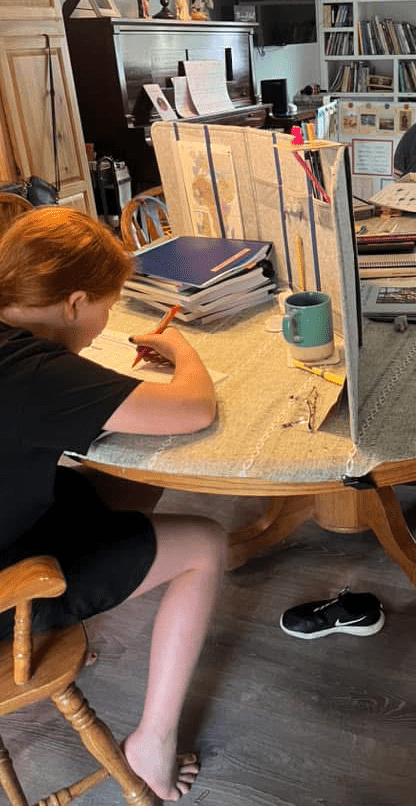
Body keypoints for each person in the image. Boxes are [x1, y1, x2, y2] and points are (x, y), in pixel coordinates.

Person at [0, 207, 227, 802]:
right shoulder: (31, 371)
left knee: (129, 484)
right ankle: (153, 744)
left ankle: (91, 602)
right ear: (74, 302)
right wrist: (182, 351)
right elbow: (194, 409)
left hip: (14, 513)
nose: (104, 322)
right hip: (7, 580)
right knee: (206, 543)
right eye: (105, 306)